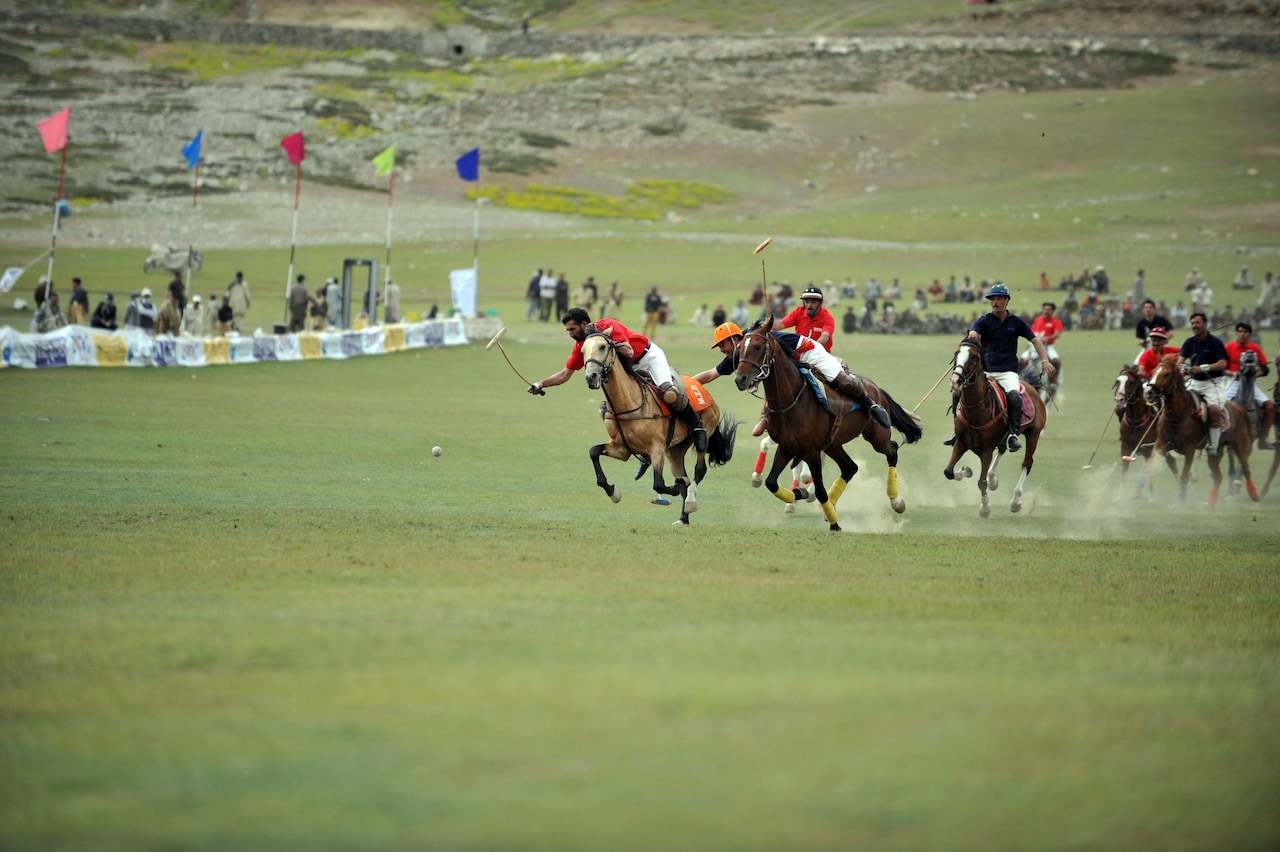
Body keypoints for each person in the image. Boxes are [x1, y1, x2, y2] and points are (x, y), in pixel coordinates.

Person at [529, 308, 707, 452]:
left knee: (668, 394)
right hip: (629, 369)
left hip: (648, 358)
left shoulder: (609, 325)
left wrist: (609, 342)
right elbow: (564, 374)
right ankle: (636, 446)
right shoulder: (583, 346)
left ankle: (697, 428)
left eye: (572, 329)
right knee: (606, 409)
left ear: (584, 324)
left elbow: (629, 352)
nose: (570, 334)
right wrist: (541, 384)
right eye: (567, 330)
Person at [691, 321, 890, 430]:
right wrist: (687, 383)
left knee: (838, 379)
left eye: (722, 345)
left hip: (808, 351)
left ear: (734, 339)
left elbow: (784, 360)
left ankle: (872, 405)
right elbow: (710, 374)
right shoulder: (740, 354)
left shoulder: (757, 340)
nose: (721, 350)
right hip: (792, 364)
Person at [948, 283, 1055, 452]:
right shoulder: (984, 320)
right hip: (987, 371)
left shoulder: (1016, 322)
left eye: (999, 299)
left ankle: (1012, 434)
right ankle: (958, 431)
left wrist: (1044, 360)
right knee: (957, 394)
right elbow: (974, 333)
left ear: (1007, 301)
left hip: (1008, 372)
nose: (995, 302)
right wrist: (971, 339)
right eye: (993, 299)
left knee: (1014, 397)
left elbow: (1035, 340)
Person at [1177, 312, 1230, 456]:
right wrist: (1183, 368)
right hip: (1194, 382)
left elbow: (1223, 363)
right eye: (1192, 323)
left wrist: (1203, 367)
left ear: (1205, 324)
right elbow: (1180, 360)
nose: (1194, 326)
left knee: (1213, 411)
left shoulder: (1215, 343)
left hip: (1212, 384)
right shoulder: (1189, 342)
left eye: (1197, 323)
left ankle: (1213, 446)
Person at [1223, 321, 1274, 448]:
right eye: (1240, 331)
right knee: (1219, 406)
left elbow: (1265, 369)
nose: (1242, 334)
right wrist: (1232, 373)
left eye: (1245, 332)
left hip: (1250, 383)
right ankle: (1220, 435)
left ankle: (1263, 438)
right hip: (1233, 382)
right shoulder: (1228, 348)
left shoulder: (1255, 348)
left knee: (1269, 406)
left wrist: (1257, 373)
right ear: (1236, 333)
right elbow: (1221, 368)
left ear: (1250, 334)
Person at [778, 285, 834, 351]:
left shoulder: (827, 317)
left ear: (820, 303)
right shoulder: (798, 312)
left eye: (813, 302)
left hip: (820, 355)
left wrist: (811, 348)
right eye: (807, 302)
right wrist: (767, 325)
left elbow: (825, 336)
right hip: (800, 354)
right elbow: (780, 325)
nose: (809, 305)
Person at [1026, 301, 1064, 395]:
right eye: (1045, 309)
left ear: (1052, 311)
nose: (1046, 311)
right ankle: (1019, 378)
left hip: (1049, 346)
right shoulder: (1038, 320)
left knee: (1055, 361)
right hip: (1034, 346)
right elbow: (1031, 332)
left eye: (1049, 310)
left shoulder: (1055, 321)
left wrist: (1047, 338)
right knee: (1022, 360)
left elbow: (1058, 334)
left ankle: (1053, 382)